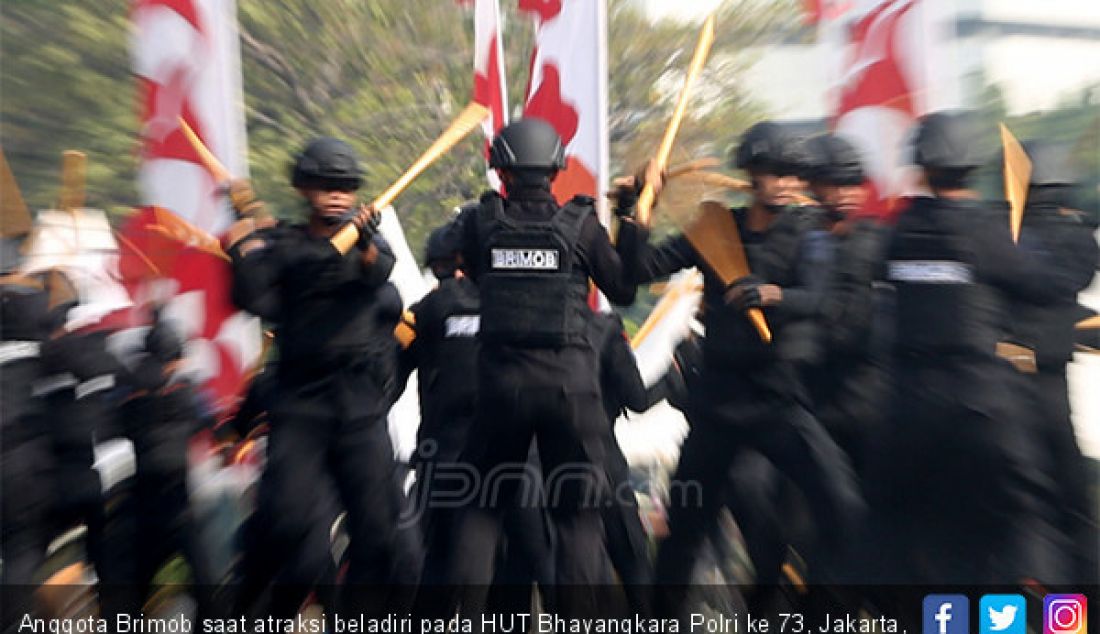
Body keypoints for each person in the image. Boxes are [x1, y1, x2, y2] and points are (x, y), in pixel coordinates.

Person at [616, 120, 864, 618]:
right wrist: (634, 211)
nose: (790, 183)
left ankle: (821, 612)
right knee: (684, 531)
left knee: (844, 508)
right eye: (778, 173)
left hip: (778, 403)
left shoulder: (810, 234)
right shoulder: (713, 228)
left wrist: (776, 295)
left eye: (795, 175)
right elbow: (633, 276)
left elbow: (821, 298)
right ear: (752, 174)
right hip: (718, 406)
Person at [866, 111, 1076, 584]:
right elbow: (1045, 285)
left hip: (908, 405)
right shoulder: (983, 229)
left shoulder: (899, 231)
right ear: (975, 166)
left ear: (919, 166)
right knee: (1030, 519)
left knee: (937, 541)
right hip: (979, 400)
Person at [446, 117, 638, 617]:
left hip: (501, 390)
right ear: (556, 168)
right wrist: (634, 222)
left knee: (482, 508)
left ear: (500, 169)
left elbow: (441, 255)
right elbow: (623, 289)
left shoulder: (480, 221)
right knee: (577, 517)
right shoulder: (581, 225)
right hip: (570, 391)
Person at [226, 137, 415, 616]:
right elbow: (254, 298)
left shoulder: (370, 244)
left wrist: (367, 239)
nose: (336, 195)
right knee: (284, 523)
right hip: (300, 407)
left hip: (359, 411)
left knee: (380, 535)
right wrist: (243, 244)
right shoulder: (283, 247)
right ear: (303, 188)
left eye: (346, 187)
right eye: (326, 185)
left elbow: (380, 273)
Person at [1002, 141, 1099, 583]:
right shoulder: (1078, 241)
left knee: (1022, 513)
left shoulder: (1005, 237)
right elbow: (1065, 290)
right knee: (1073, 509)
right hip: (1050, 389)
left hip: (1004, 387)